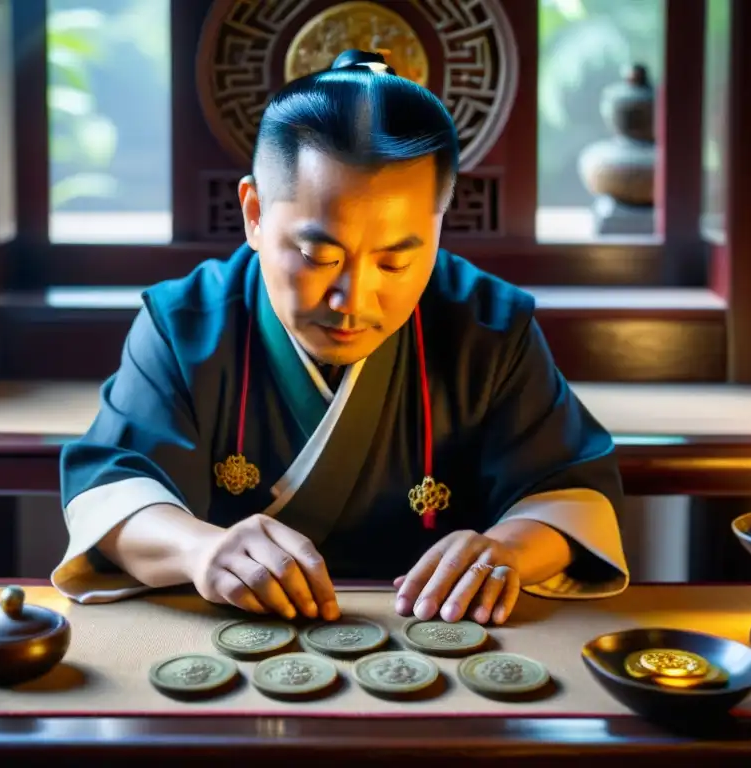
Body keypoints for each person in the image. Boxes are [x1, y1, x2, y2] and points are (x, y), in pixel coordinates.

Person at [52, 49, 628, 627]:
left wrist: (507, 551)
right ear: (254, 213)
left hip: (438, 638)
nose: (353, 299)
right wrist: (199, 548)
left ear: (437, 227)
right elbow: (116, 491)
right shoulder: (185, 323)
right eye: (318, 255)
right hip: (236, 633)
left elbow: (570, 491)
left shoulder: (489, 325)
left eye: (395, 263)